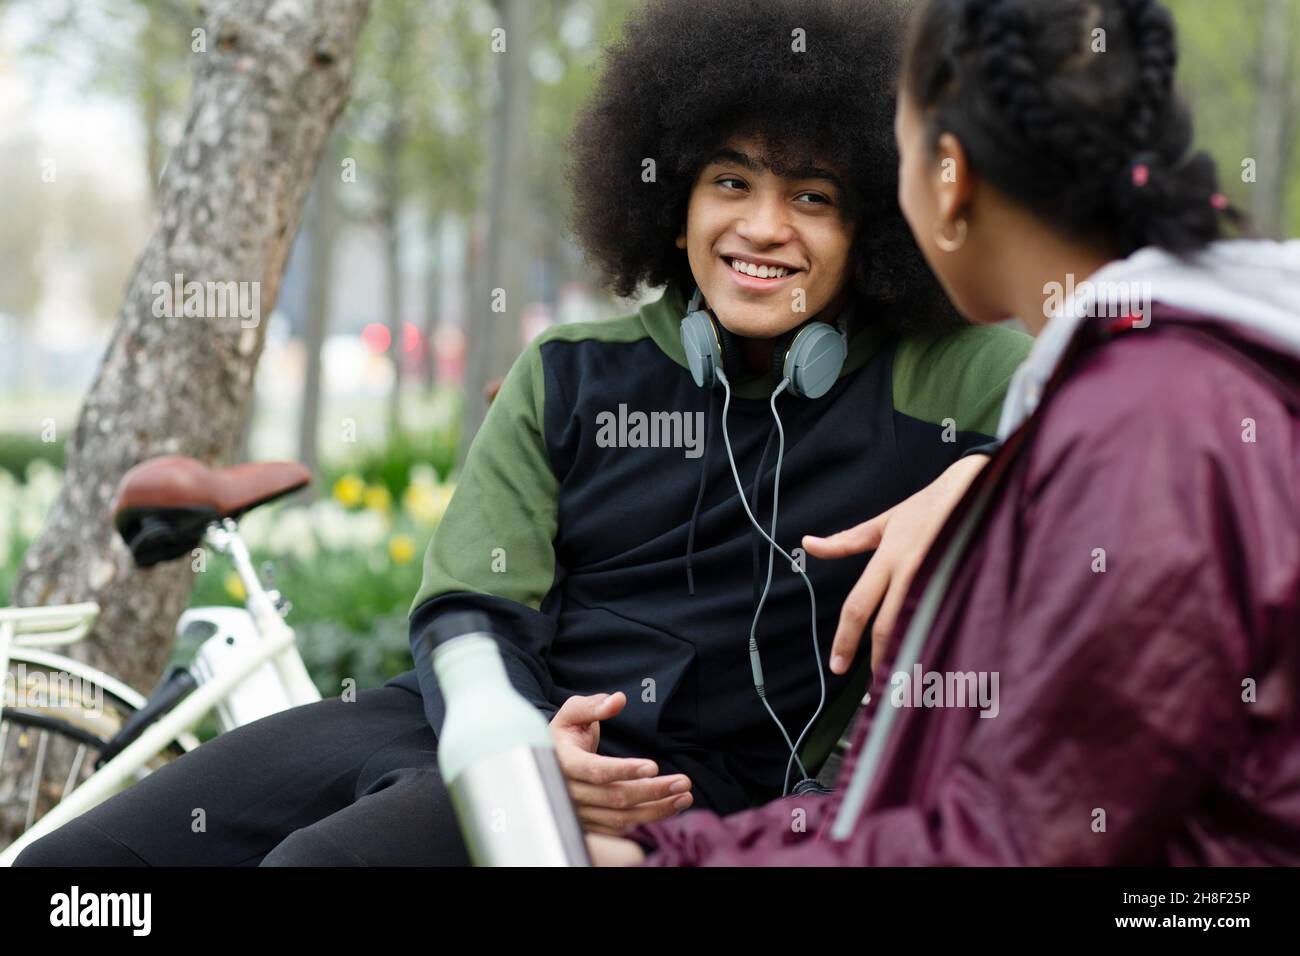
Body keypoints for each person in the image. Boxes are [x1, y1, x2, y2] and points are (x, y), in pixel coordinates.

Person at [14, 0, 1030, 867]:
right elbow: (467, 613)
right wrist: (515, 748)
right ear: (672, 203)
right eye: (730, 183)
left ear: (874, 227)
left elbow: (1137, 403)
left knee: (315, 866)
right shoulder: (569, 371)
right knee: (79, 871)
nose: (762, 227)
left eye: (811, 197)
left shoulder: (941, 373)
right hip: (471, 717)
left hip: (687, 784)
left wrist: (980, 475)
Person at [588, 0, 1300, 867]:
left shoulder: (1148, 430)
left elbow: (1014, 845)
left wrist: (671, 862)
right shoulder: (1163, 391)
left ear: (950, 174)